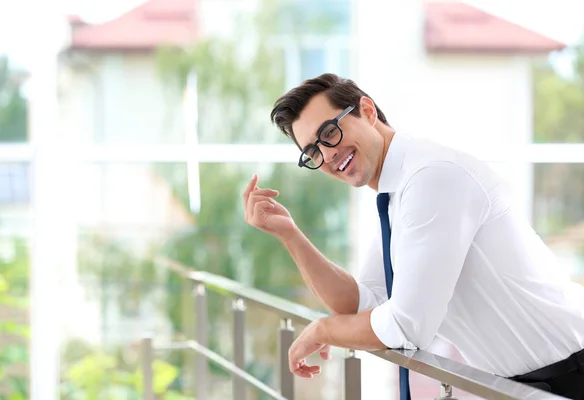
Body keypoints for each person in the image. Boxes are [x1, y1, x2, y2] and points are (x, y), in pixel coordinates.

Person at [242, 73, 584, 399]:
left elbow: (407, 326)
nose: (328, 154)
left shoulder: (431, 178)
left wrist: (323, 330)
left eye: (330, 132)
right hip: (522, 385)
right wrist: (289, 235)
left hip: (574, 372)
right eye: (313, 152)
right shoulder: (395, 194)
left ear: (367, 110)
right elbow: (362, 304)